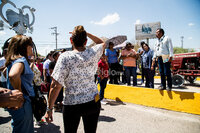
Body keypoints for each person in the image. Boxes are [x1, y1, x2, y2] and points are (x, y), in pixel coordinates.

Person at [45, 25, 106, 133]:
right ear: (86, 41)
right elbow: (102, 43)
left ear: (71, 40)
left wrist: (49, 108)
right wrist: (86, 34)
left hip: (72, 104)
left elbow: (55, 85)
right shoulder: (92, 53)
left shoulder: (65, 57)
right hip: (92, 101)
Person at [5, 35, 35, 133]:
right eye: (30, 45)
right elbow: (13, 75)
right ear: (24, 46)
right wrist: (20, 94)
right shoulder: (21, 60)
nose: (32, 47)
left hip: (17, 104)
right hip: (23, 103)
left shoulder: (13, 61)